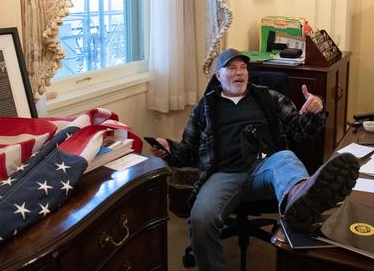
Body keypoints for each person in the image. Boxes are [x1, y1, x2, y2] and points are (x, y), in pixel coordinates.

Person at [148, 48, 359, 271]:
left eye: (243, 67)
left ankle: (299, 197)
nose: (239, 72)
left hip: (265, 169)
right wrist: (169, 149)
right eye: (231, 68)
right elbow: (189, 151)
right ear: (218, 76)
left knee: (285, 157)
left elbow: (300, 132)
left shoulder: (268, 97)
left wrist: (315, 111)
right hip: (223, 174)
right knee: (200, 221)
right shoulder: (205, 108)